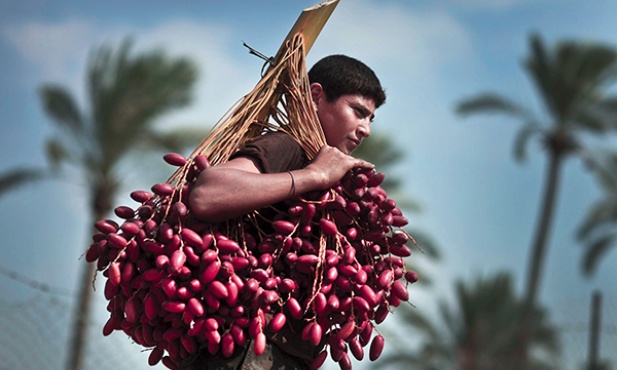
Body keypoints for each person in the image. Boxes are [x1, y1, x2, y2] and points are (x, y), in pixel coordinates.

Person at [184, 54, 387, 369]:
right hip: (246, 353)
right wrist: (313, 176)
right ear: (317, 96)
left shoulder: (326, 173)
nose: (366, 129)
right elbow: (208, 194)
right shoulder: (288, 147)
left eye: (371, 119)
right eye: (358, 112)